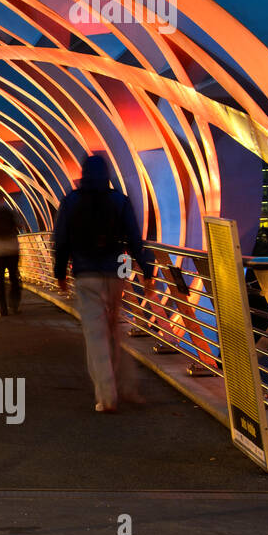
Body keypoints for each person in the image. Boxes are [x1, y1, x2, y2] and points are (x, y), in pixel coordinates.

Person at [53, 153, 154, 413]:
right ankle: (128, 387)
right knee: (114, 331)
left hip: (86, 275)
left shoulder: (71, 201)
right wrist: (146, 270)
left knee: (96, 336)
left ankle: (107, 396)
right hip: (116, 273)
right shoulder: (119, 200)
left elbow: (61, 241)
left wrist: (60, 273)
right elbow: (134, 239)